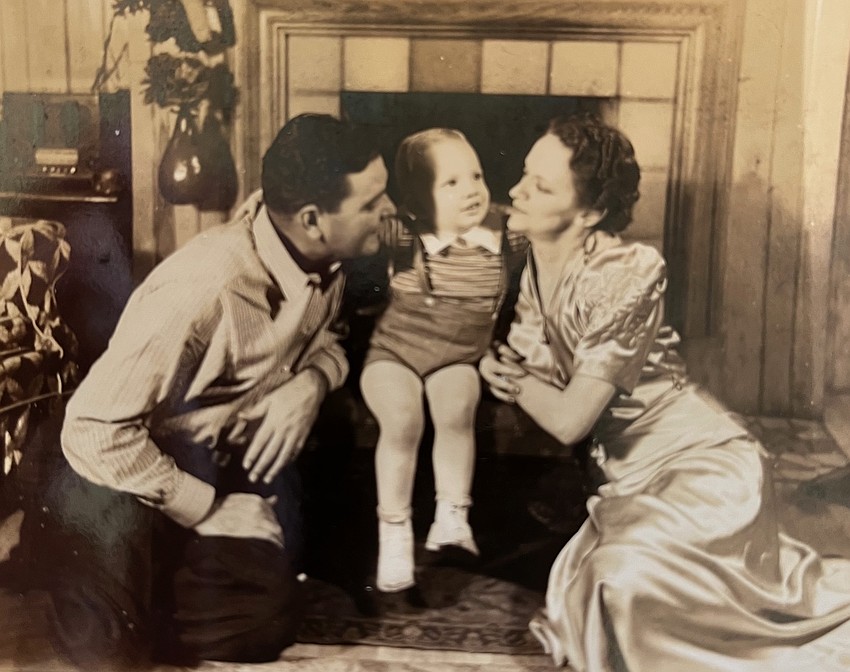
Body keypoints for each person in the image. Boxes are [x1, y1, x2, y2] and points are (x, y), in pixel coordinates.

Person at [480, 114, 850, 671]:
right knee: (614, 581)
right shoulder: (533, 259)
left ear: (591, 213)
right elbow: (528, 367)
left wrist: (507, 376)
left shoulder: (630, 269)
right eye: (526, 174)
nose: (515, 191)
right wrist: (503, 370)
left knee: (618, 582)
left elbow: (568, 420)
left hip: (705, 468)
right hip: (630, 476)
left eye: (541, 185)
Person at [36, 113, 395, 668]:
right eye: (372, 203)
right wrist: (208, 510)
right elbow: (90, 431)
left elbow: (329, 338)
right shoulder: (202, 290)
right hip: (113, 474)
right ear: (312, 219)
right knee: (112, 654)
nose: (389, 212)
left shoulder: (327, 257)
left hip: (207, 453)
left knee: (266, 620)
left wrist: (311, 380)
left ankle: (166, 575)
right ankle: (73, 563)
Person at [360, 128, 525, 592]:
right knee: (403, 419)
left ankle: (452, 516)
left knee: (457, 408)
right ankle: (394, 530)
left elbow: (553, 230)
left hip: (460, 356)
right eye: (450, 183)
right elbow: (356, 217)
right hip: (395, 351)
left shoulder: (506, 233)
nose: (471, 189)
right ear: (415, 203)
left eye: (475, 175)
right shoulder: (401, 232)